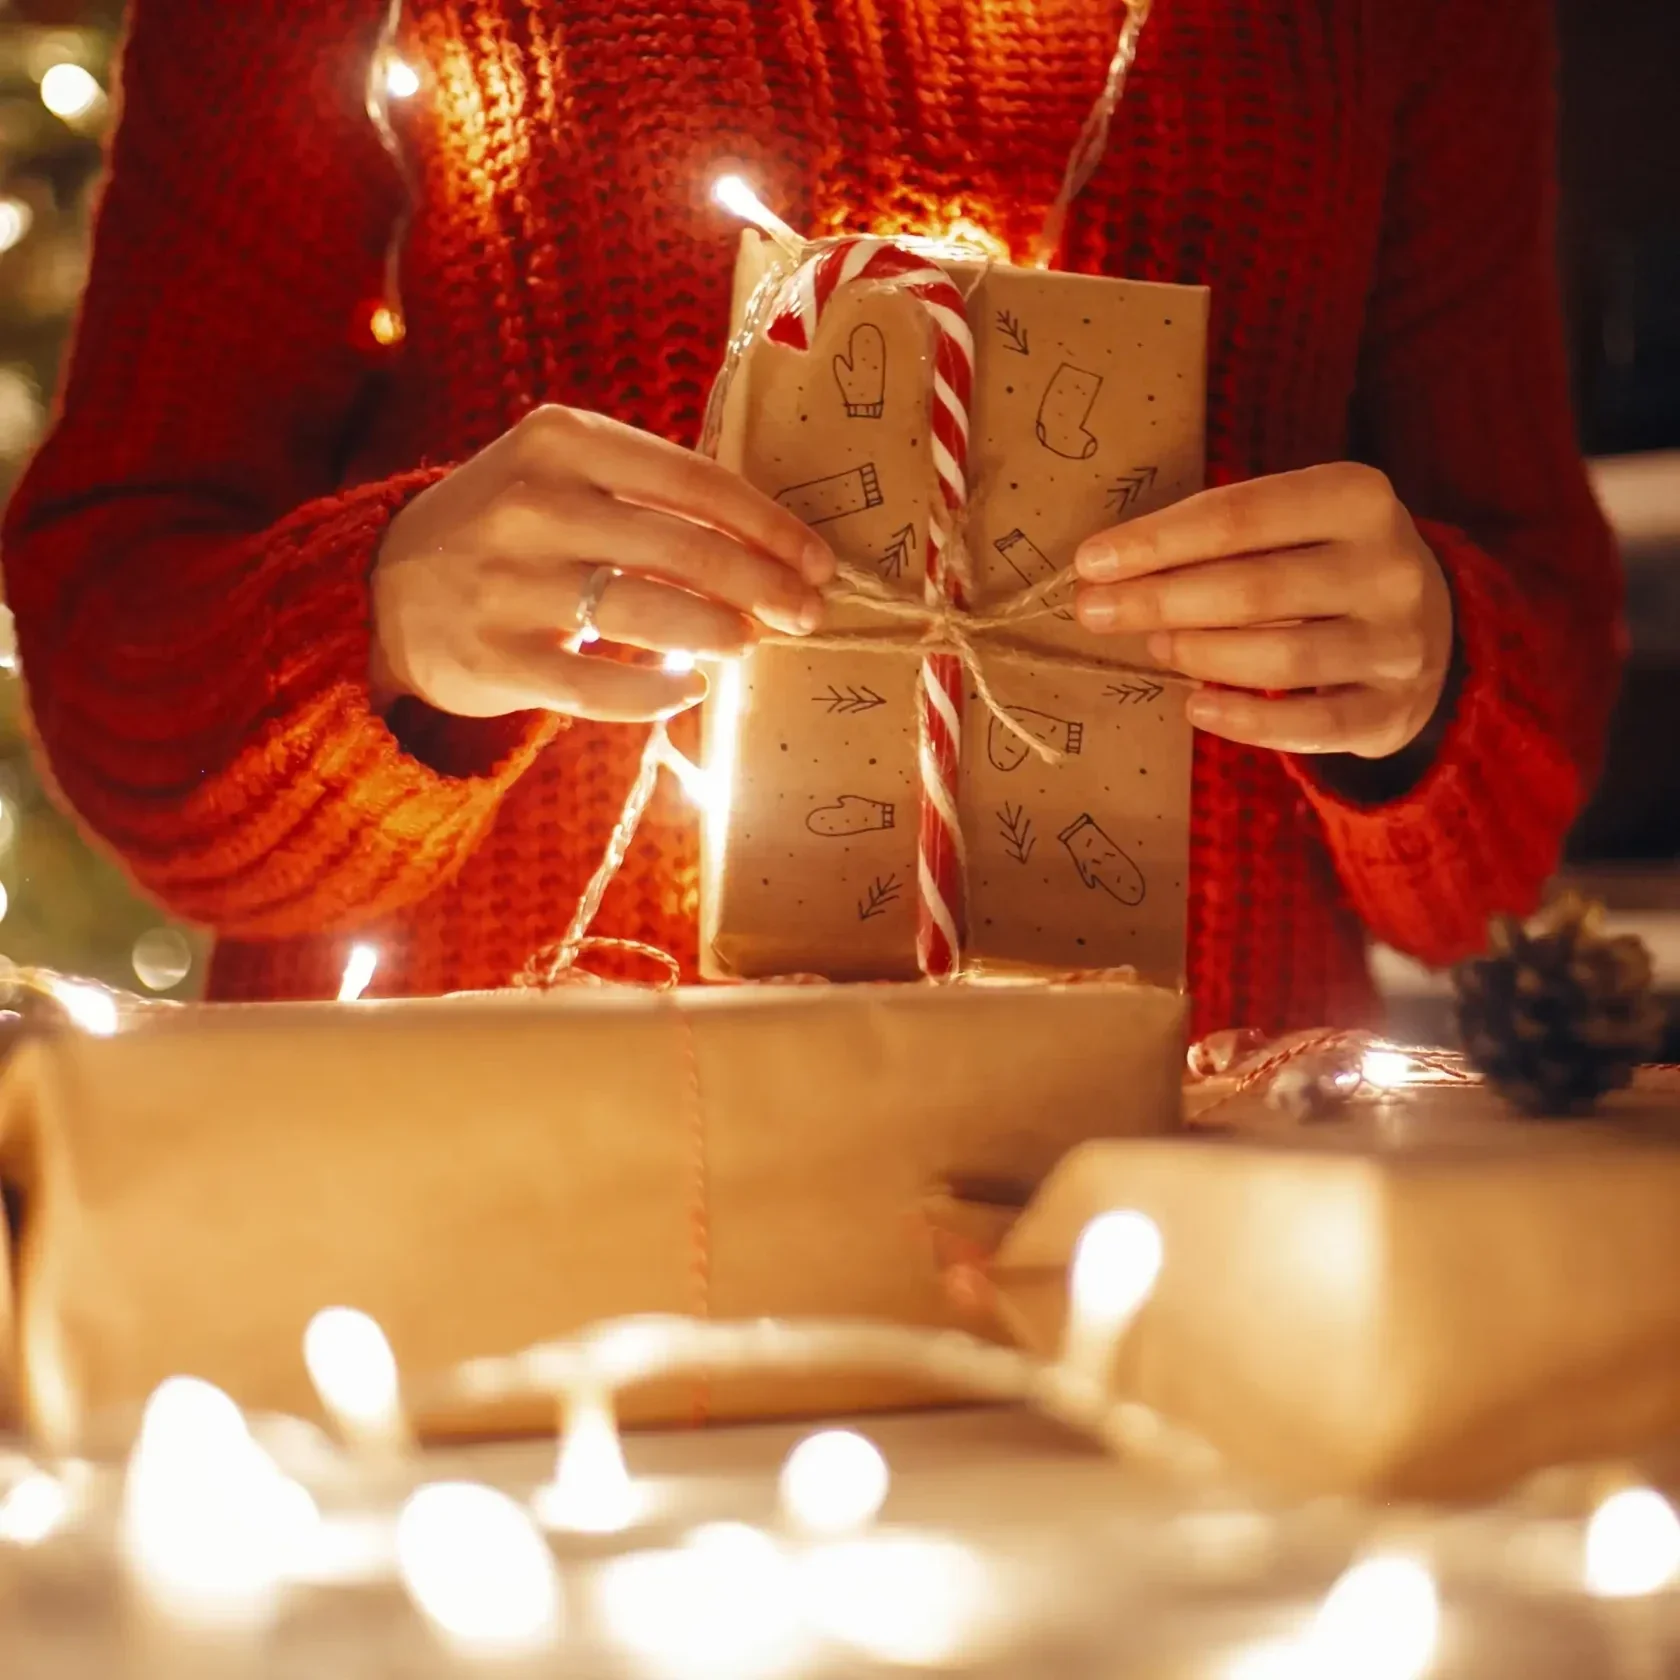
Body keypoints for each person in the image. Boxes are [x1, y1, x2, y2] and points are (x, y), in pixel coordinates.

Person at [0, 0, 1620, 1037]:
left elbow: (1499, 850)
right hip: (496, 1256)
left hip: (1180, 1245)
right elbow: (109, 655)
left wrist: (1429, 684)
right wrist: (384, 618)